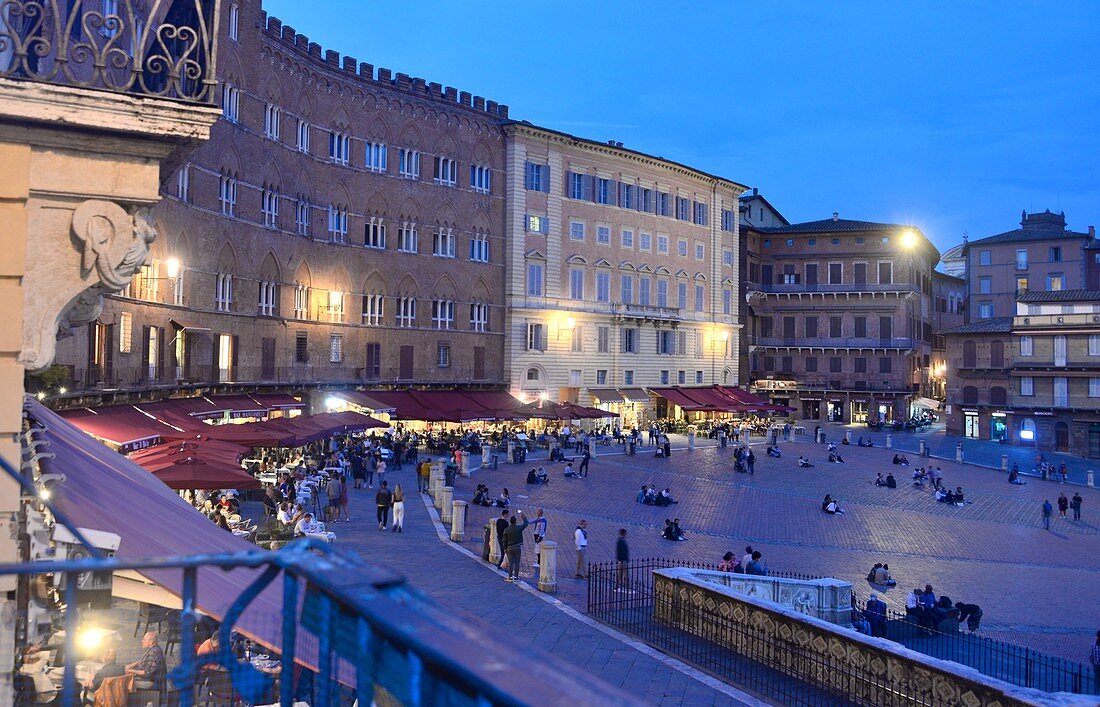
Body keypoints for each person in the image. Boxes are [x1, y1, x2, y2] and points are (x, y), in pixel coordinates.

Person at [501, 511, 530, 582]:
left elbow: (504, 540)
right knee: (517, 562)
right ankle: (516, 577)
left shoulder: (507, 530)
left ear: (510, 522)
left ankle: (510, 577)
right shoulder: (518, 528)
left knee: (511, 563)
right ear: (515, 522)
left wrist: (504, 548)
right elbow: (525, 524)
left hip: (509, 548)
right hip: (517, 547)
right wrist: (524, 518)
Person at [1089, 630, 1100, 694]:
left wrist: (1093, 663)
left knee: (1097, 681)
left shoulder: (1093, 644)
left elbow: (1091, 656)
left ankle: (1096, 694)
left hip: (1096, 665)